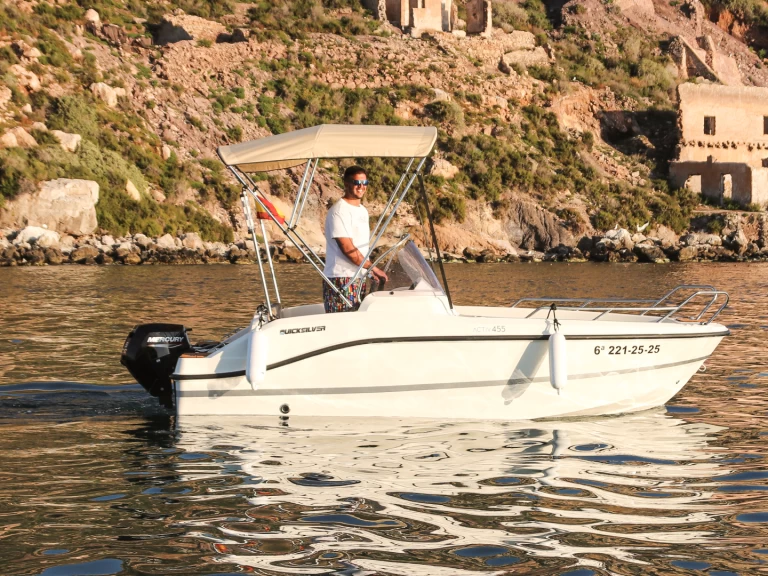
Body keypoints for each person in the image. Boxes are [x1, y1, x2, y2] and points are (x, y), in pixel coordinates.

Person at [323, 165, 388, 313]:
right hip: (341, 278)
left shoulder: (362, 210)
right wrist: (374, 268)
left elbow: (360, 247)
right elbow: (348, 249)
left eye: (365, 183)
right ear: (346, 184)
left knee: (355, 320)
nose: (361, 187)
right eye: (357, 182)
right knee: (342, 322)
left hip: (358, 277)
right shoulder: (339, 211)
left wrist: (368, 272)